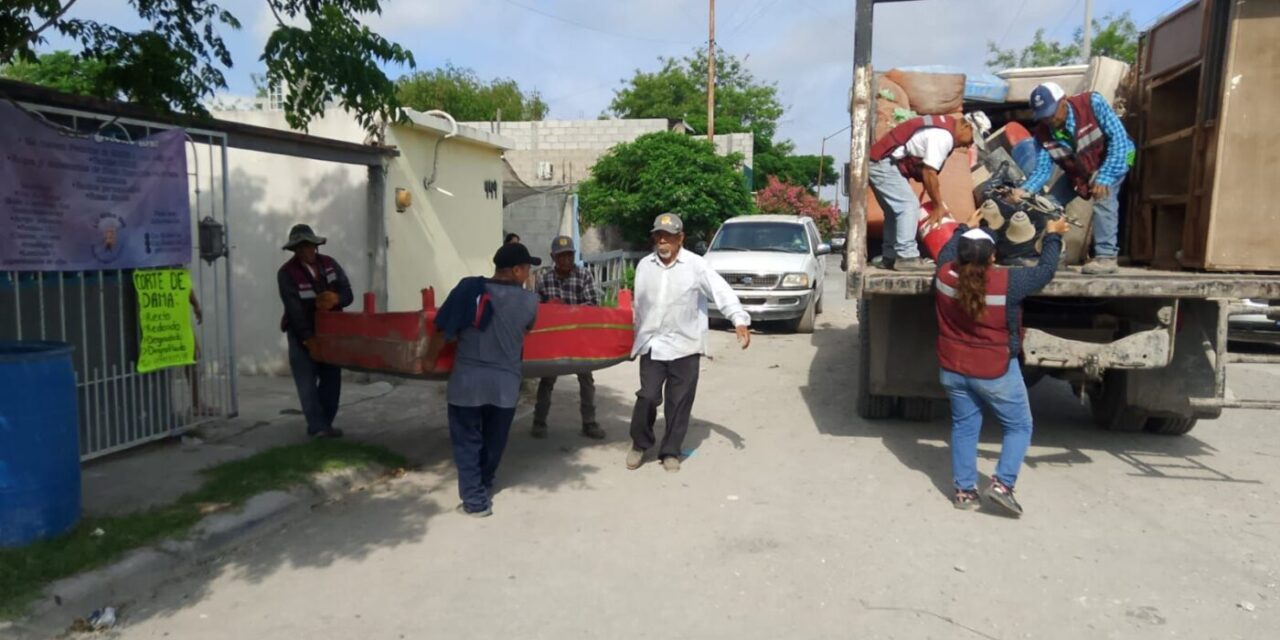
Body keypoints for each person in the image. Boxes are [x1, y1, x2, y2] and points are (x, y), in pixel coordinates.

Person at [934, 209, 1071, 517]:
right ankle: (1002, 486)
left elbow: (945, 253)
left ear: (960, 256)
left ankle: (964, 492)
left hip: (953, 367)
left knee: (964, 426)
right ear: (993, 258)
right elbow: (1046, 270)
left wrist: (963, 229)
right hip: (994, 369)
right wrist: (1053, 235)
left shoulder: (944, 275)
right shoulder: (1008, 281)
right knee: (1019, 425)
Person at [627, 213, 751, 473]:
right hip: (652, 344)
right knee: (647, 396)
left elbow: (721, 291)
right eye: (659, 235)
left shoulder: (696, 265)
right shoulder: (644, 265)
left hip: (685, 345)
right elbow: (638, 306)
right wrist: (633, 337)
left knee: (679, 402)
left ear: (680, 238)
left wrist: (738, 319)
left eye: (669, 236)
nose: (663, 241)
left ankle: (670, 451)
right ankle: (640, 443)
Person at [427, 242, 541, 517]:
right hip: (505, 388)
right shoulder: (530, 302)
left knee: (467, 442)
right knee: (494, 442)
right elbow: (525, 329)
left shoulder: (469, 288)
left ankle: (476, 501)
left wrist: (427, 361)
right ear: (515, 270)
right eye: (526, 269)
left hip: (467, 383)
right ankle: (484, 484)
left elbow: (442, 331)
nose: (527, 274)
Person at [1013, 83, 1135, 275]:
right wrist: (1025, 190)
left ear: (1064, 100)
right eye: (1043, 115)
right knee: (1049, 204)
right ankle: (1054, 257)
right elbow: (1042, 170)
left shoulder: (1092, 103)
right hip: (1082, 168)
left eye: (1051, 112)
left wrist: (1105, 176)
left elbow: (1119, 141)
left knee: (1103, 194)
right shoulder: (1042, 134)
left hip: (1121, 155)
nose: (1049, 119)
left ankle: (1106, 257)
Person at [869, 114, 976, 272]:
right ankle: (907, 256)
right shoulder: (944, 136)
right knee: (909, 205)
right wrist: (938, 205)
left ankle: (890, 257)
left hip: (880, 161)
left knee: (894, 211)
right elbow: (929, 173)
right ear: (966, 127)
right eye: (971, 139)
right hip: (883, 163)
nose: (968, 145)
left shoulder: (944, 128)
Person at [277, 224, 353, 438]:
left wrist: (336, 298)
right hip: (302, 333)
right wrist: (309, 341)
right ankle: (316, 427)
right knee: (306, 382)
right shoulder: (286, 274)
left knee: (332, 379)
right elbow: (294, 311)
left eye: (309, 246)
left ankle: (326, 424)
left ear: (315, 246)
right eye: (300, 247)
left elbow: (348, 293)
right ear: (294, 250)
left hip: (330, 332)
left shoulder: (330, 264)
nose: (306, 251)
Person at [532, 235, 604, 440]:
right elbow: (536, 309)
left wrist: (567, 311)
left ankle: (589, 423)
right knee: (546, 380)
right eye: (561, 256)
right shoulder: (544, 279)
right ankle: (539, 421)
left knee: (586, 379)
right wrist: (549, 309)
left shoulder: (584, 276)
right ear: (552, 256)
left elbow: (592, 305)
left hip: (578, 338)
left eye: (569, 255)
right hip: (553, 340)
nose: (566, 260)